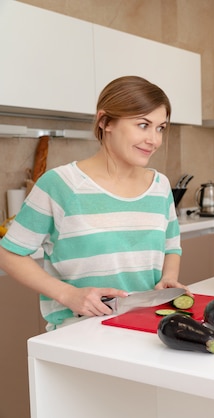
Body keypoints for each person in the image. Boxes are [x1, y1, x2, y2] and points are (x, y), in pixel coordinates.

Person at [0, 76, 187, 330]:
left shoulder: (160, 185)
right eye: (143, 125)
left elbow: (171, 246)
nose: (154, 140)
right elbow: (9, 254)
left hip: (149, 327)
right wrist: (68, 295)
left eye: (160, 128)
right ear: (105, 121)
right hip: (80, 333)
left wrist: (168, 279)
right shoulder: (60, 184)